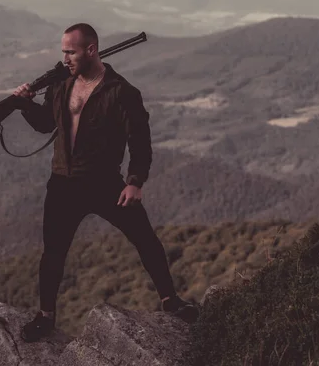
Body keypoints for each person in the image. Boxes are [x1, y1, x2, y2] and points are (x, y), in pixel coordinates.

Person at [13, 23, 199, 343]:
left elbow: (140, 142)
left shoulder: (121, 92)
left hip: (104, 183)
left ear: (91, 50)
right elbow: (45, 125)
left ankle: (170, 300)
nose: (65, 58)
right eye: (63, 52)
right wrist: (24, 104)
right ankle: (46, 316)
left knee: (145, 239)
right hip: (62, 183)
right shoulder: (60, 85)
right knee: (53, 253)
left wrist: (135, 182)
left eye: (70, 52)